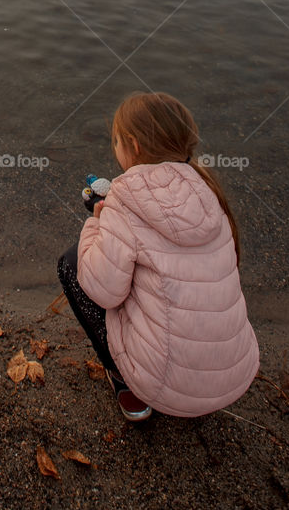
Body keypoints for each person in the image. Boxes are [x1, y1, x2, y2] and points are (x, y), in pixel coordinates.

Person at [58, 91, 259, 422]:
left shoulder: (124, 197)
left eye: (117, 142)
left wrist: (97, 222)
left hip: (163, 383)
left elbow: (103, 289)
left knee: (71, 264)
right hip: (232, 374)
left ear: (134, 147)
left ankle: (128, 385)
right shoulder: (208, 191)